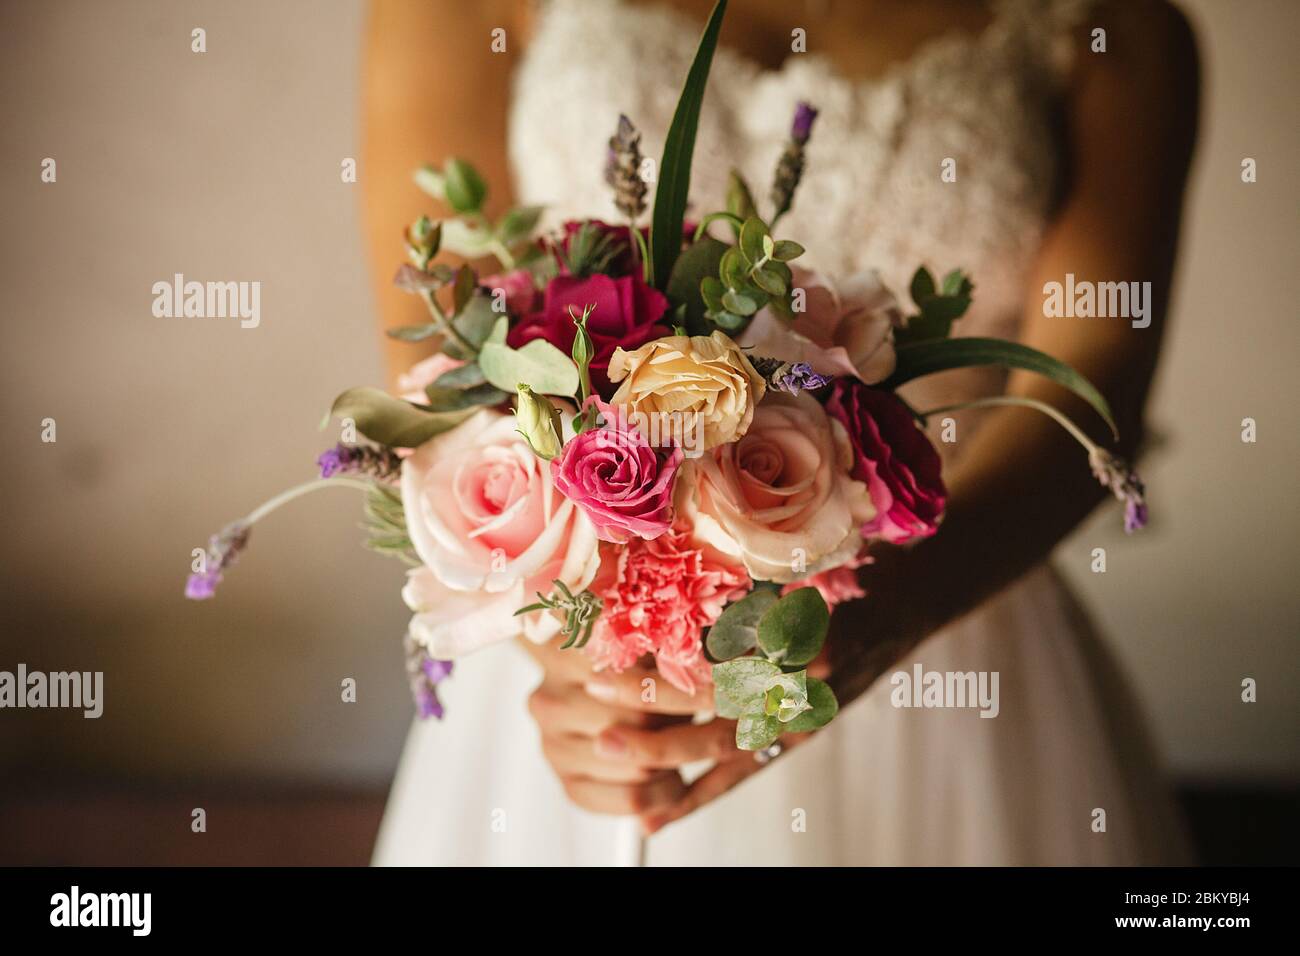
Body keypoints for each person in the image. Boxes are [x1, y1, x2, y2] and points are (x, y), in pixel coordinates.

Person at [363, 0, 1199, 864]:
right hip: (584, 659)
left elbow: (1095, 380)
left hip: (951, 627)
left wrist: (897, 609)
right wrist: (569, 650)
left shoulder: (1112, 28)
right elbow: (444, 345)